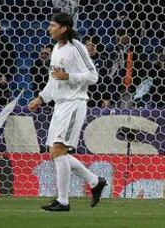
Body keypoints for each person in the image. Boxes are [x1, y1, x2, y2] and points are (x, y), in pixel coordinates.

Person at [28, 13, 106, 212]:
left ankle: (63, 201)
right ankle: (95, 181)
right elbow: (53, 79)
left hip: (74, 103)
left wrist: (69, 76)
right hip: (60, 104)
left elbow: (93, 76)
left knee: (58, 150)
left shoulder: (76, 47)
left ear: (64, 28)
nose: (49, 28)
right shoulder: (56, 48)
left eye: (53, 25)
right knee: (55, 152)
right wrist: (42, 98)